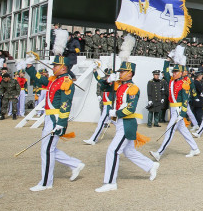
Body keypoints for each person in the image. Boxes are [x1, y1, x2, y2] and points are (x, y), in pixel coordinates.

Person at [95, 61, 159, 192]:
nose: (120, 73)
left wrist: (116, 113)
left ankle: (110, 182)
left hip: (126, 123)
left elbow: (131, 108)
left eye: (122, 71)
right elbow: (103, 88)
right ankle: (151, 165)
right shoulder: (119, 85)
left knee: (113, 151)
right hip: (120, 123)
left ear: (129, 74)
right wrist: (107, 80)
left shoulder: (132, 88)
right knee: (128, 151)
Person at [26, 55, 85, 191]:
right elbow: (39, 79)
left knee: (47, 150)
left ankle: (46, 183)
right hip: (49, 118)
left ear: (63, 68)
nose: (53, 68)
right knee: (48, 148)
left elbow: (65, 104)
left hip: (56, 120)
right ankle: (75, 164)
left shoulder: (66, 81)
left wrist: (61, 122)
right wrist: (30, 67)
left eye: (55, 66)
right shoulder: (55, 80)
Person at [150, 62, 200, 161]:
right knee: (184, 131)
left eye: (176, 72)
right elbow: (165, 71)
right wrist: (167, 61)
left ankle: (159, 153)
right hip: (172, 109)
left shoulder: (185, 84)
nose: (174, 73)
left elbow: (185, 101)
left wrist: (182, 114)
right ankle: (195, 148)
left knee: (169, 130)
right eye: (173, 72)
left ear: (181, 73)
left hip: (178, 110)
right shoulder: (171, 81)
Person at [84, 66, 115, 145]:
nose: (107, 77)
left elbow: (106, 83)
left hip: (108, 106)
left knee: (101, 122)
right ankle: (128, 135)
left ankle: (93, 139)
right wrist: (94, 71)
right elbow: (99, 79)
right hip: (106, 105)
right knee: (117, 122)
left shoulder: (114, 83)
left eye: (109, 76)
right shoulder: (107, 81)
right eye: (107, 75)